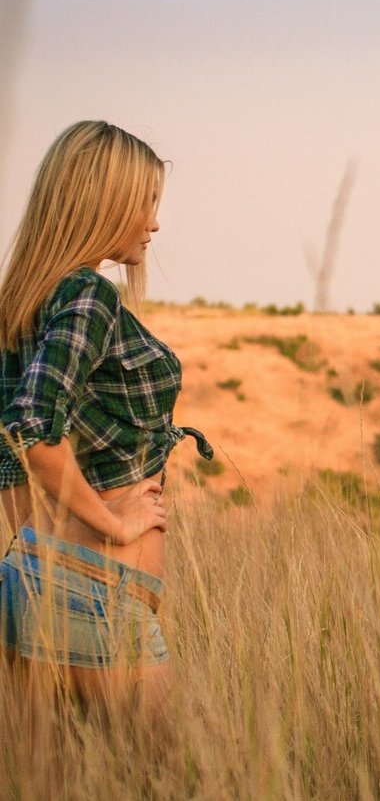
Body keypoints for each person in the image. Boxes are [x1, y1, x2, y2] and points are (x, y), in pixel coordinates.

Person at [0, 121, 212, 709]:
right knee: (175, 780)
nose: (154, 222)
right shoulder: (89, 296)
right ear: (103, 200)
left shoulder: (24, 300)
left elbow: (7, 460)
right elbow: (30, 431)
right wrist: (114, 526)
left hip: (33, 578)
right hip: (93, 589)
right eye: (145, 202)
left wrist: (42, 553)